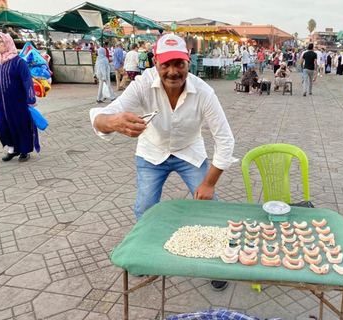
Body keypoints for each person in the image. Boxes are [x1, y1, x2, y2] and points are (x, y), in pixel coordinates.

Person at [90, 34, 236, 291]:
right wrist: (113, 123)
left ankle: (216, 262)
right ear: (155, 63)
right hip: (151, 152)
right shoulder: (142, 85)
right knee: (145, 206)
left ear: (188, 63)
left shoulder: (204, 92)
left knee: (209, 205)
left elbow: (225, 139)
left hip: (189, 151)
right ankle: (143, 255)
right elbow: (102, 116)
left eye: (179, 63)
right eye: (165, 64)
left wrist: (210, 182)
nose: (172, 71)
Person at [0, 33, 37, 162]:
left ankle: (24, 150)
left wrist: (31, 99)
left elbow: (27, 81)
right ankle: (12, 148)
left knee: (20, 125)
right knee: (0, 125)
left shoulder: (19, 62)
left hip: (17, 101)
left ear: (7, 43)